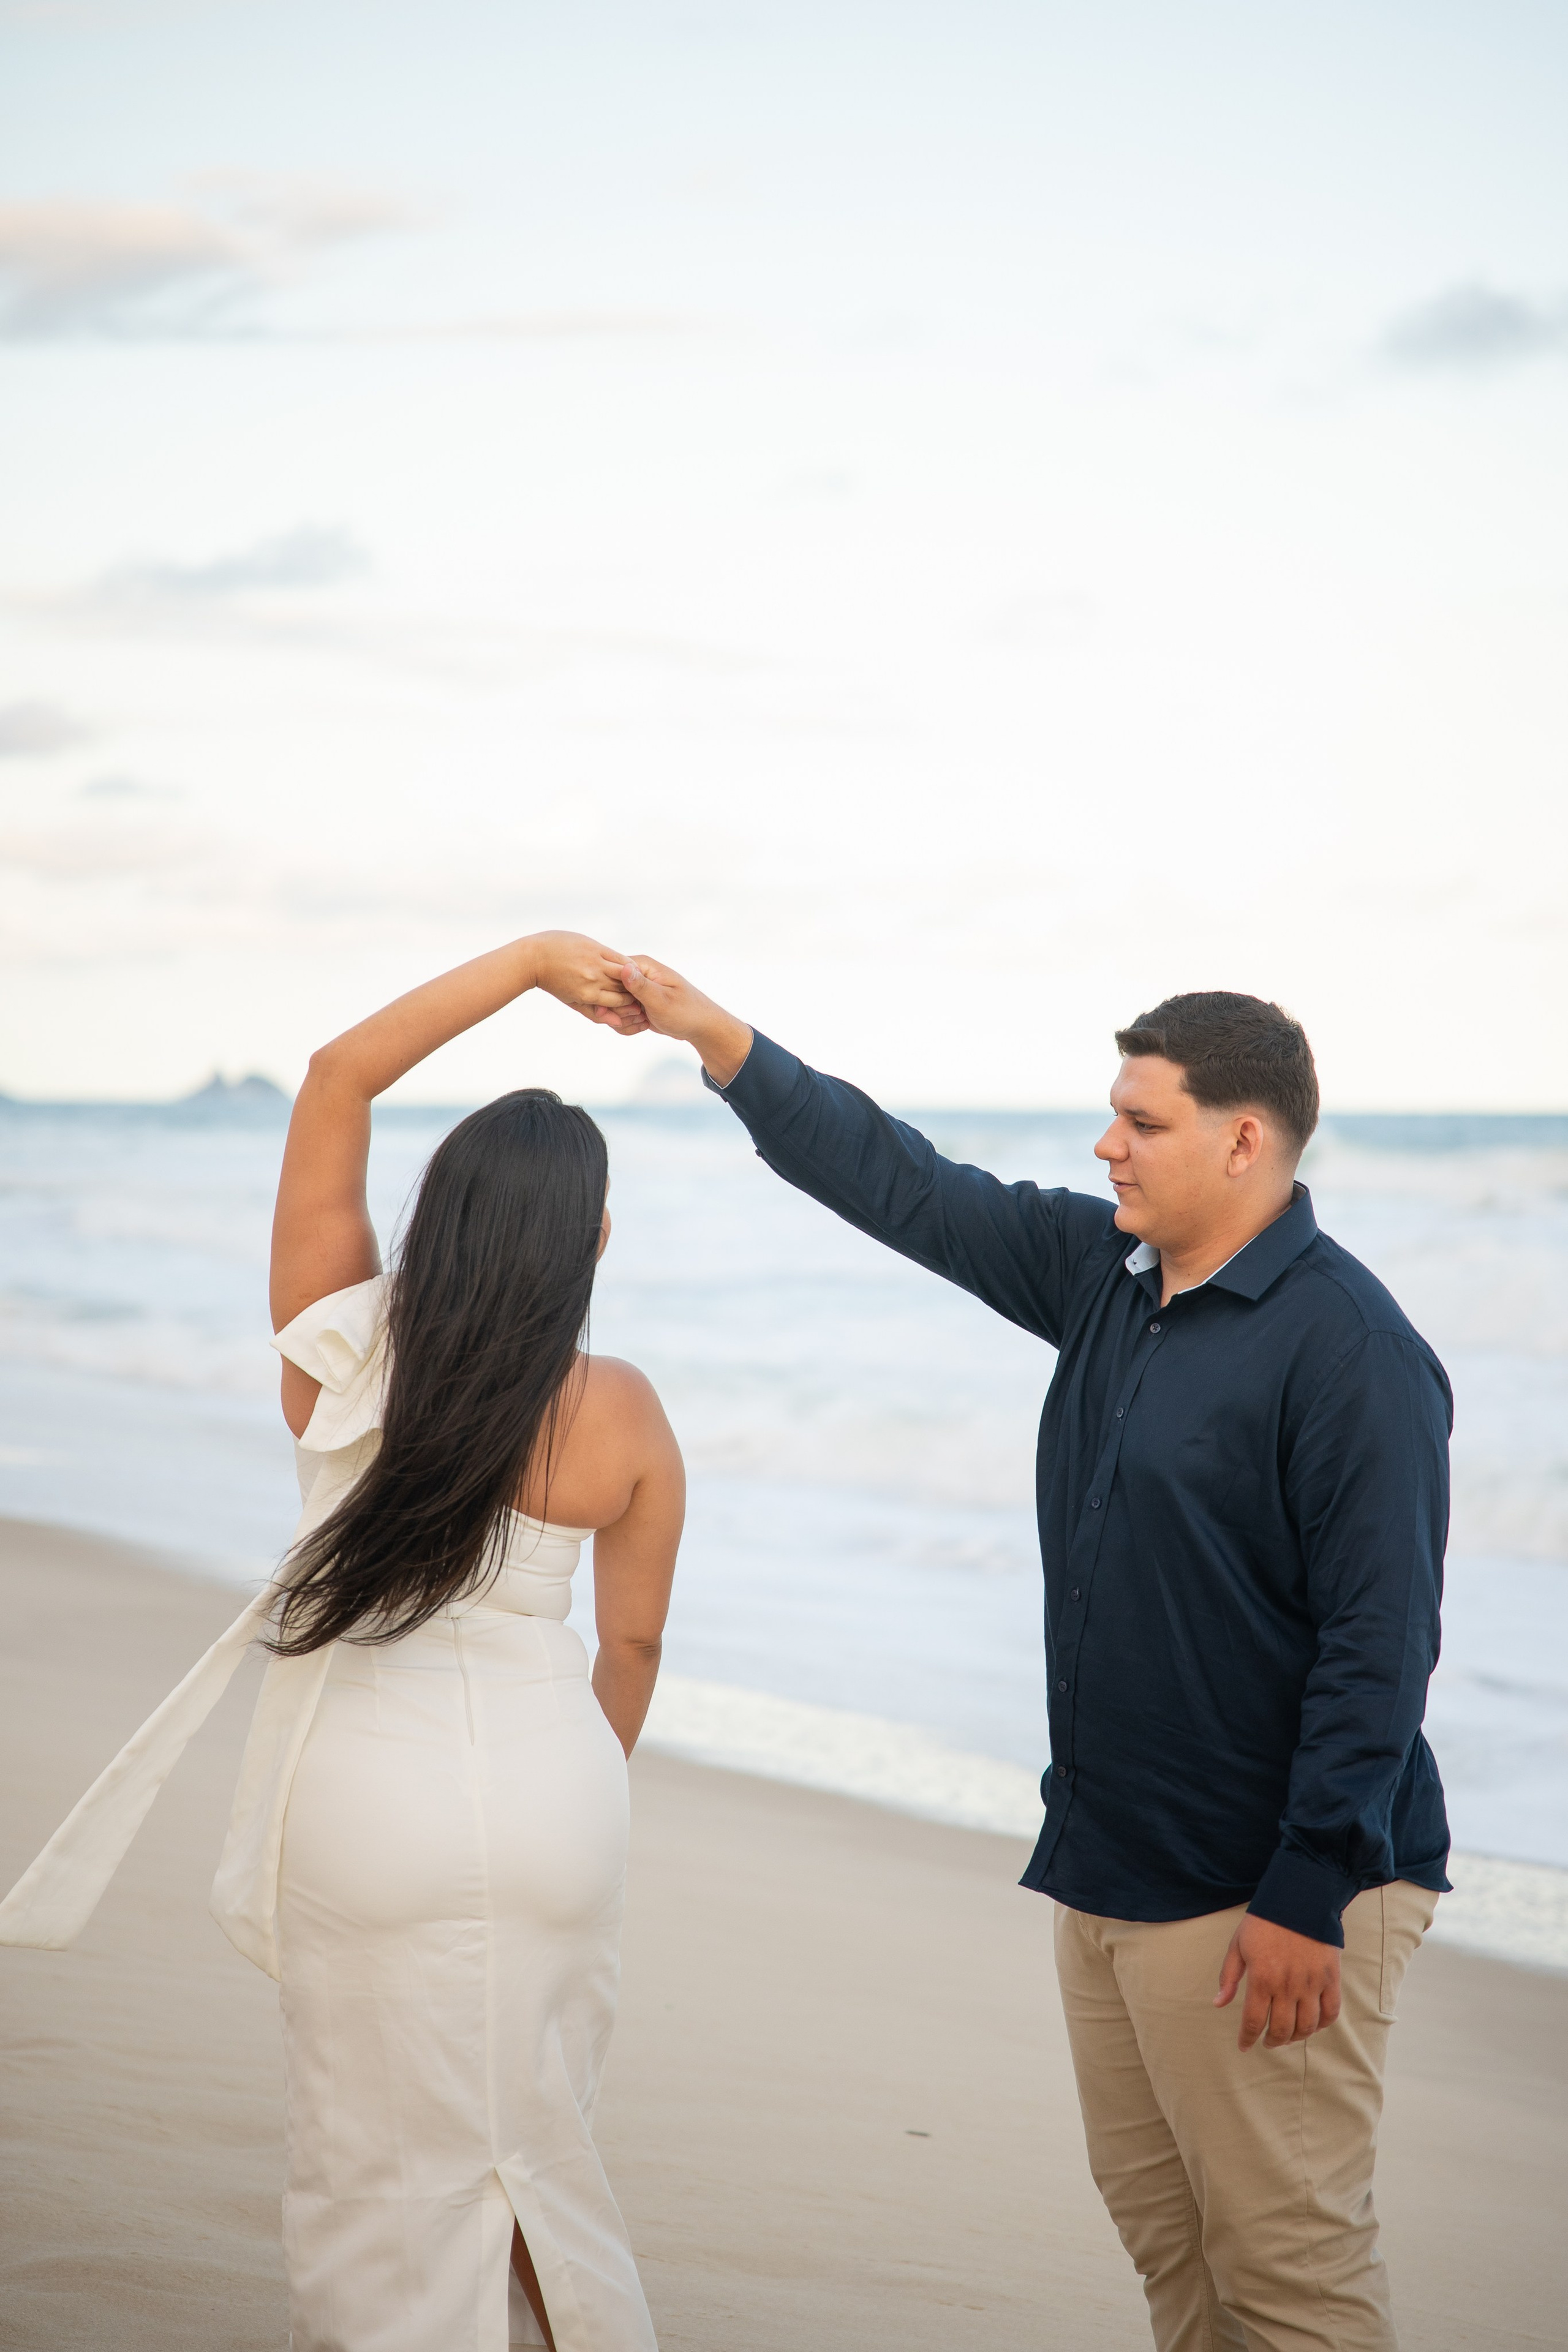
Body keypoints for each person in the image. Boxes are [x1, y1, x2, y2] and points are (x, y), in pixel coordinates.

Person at [606, 956, 1451, 2352]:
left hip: (1267, 1901)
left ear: (1244, 1141)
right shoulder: (1106, 1276)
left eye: (1142, 1120)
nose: (1105, 1143)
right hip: (1109, 1868)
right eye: (1108, 1113)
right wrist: (712, 1038)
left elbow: (1382, 1642)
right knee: (1176, 2266)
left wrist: (1309, 1885)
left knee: (1289, 2285)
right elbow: (907, 1185)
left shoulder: (1348, 1350)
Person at [0, 931, 683, 2352]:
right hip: (565, 1800)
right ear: (595, 1242)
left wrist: (536, 963)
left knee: (380, 2162)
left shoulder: (348, 1350)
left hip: (372, 1806)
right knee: (539, 2136)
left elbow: (335, 1078)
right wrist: (568, 1786)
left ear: (433, 1222)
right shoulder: (625, 1412)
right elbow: (632, 1654)